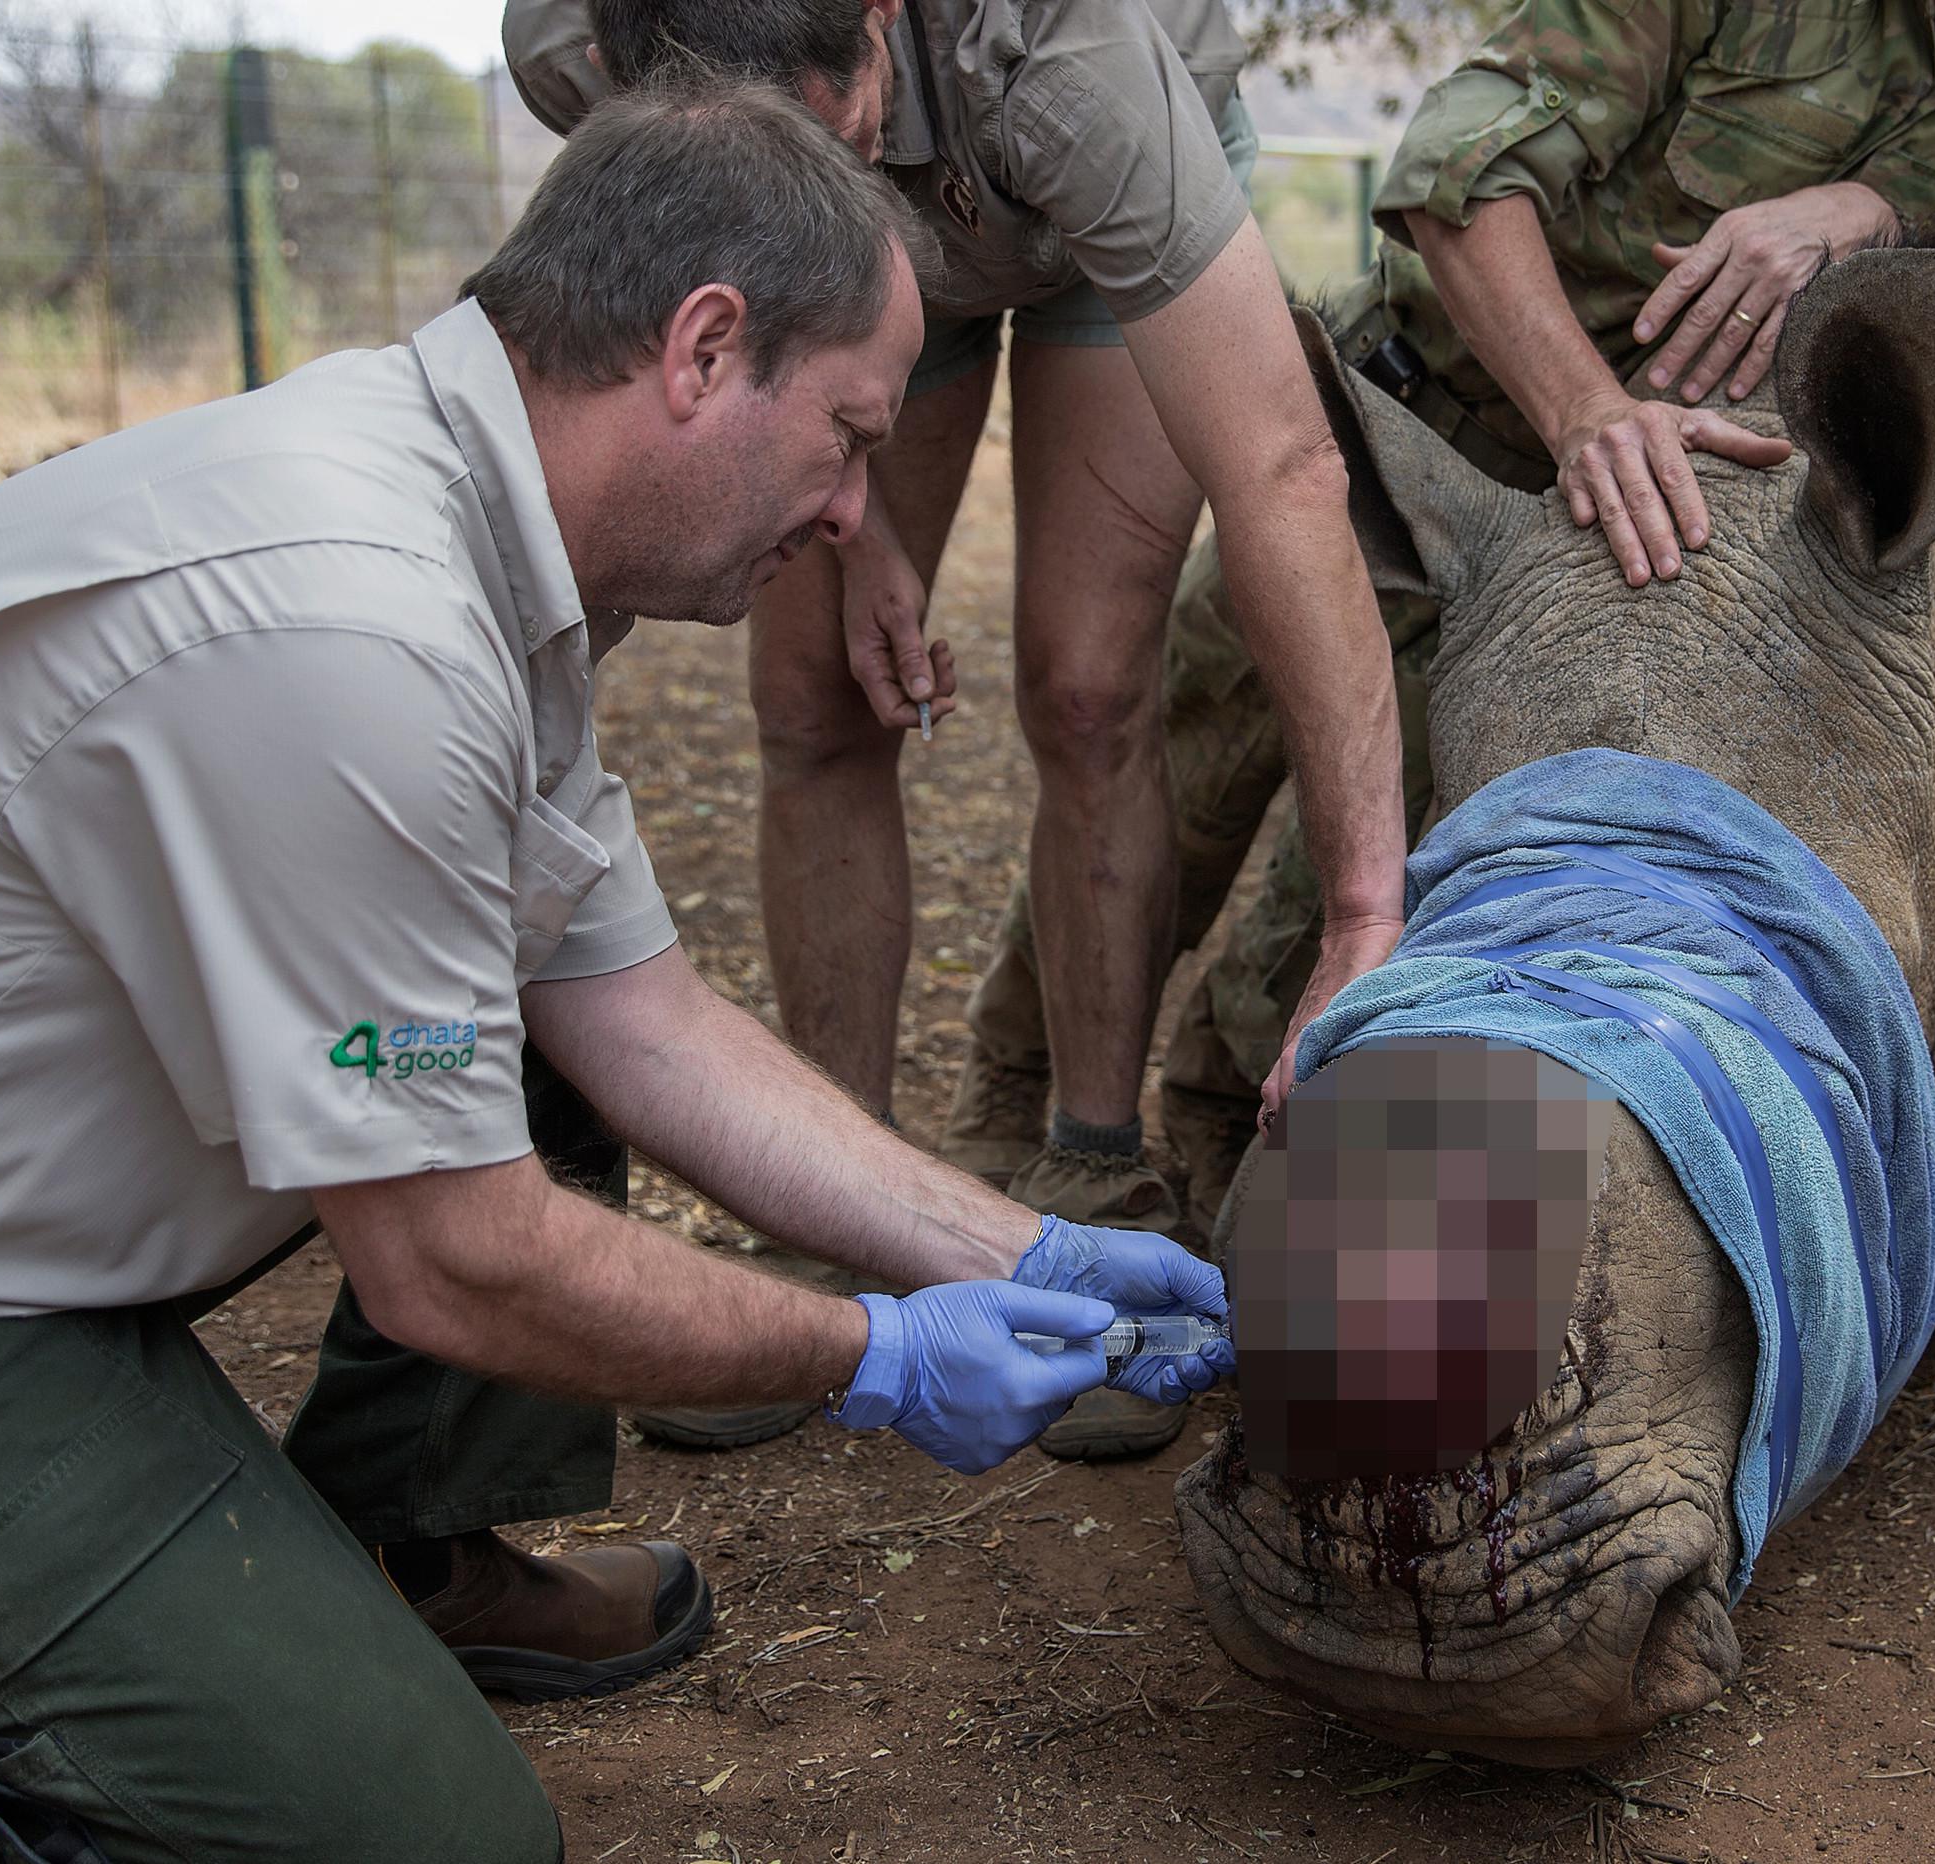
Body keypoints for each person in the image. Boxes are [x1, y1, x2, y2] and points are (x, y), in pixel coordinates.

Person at [0, 78, 1223, 1857]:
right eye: (842, 435)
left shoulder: (469, 526)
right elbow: (456, 1257)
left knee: (497, 1025)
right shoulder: (351, 618)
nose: (851, 512)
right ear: (699, 347)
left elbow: (639, 1022)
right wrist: (871, 1353)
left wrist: (1019, 1250)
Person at [944, 0, 1935, 1217]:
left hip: (1632, 563)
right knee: (1173, 766)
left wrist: (1868, 212)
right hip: (1431, 442)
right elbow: (1456, 184)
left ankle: (1213, 1168)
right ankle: (1013, 1087)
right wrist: (1586, 413)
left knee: (1355, 896)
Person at [509, 0, 1408, 1240]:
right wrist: (851, 513)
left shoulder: (1065, 57)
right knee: (816, 694)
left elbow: (1280, 463)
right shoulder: (572, 41)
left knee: (1089, 686)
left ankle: (1095, 1165)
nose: (841, 175)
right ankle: (835, 1193)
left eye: (840, 138)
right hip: (817, 273)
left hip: (1083, 225)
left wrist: (1366, 912)